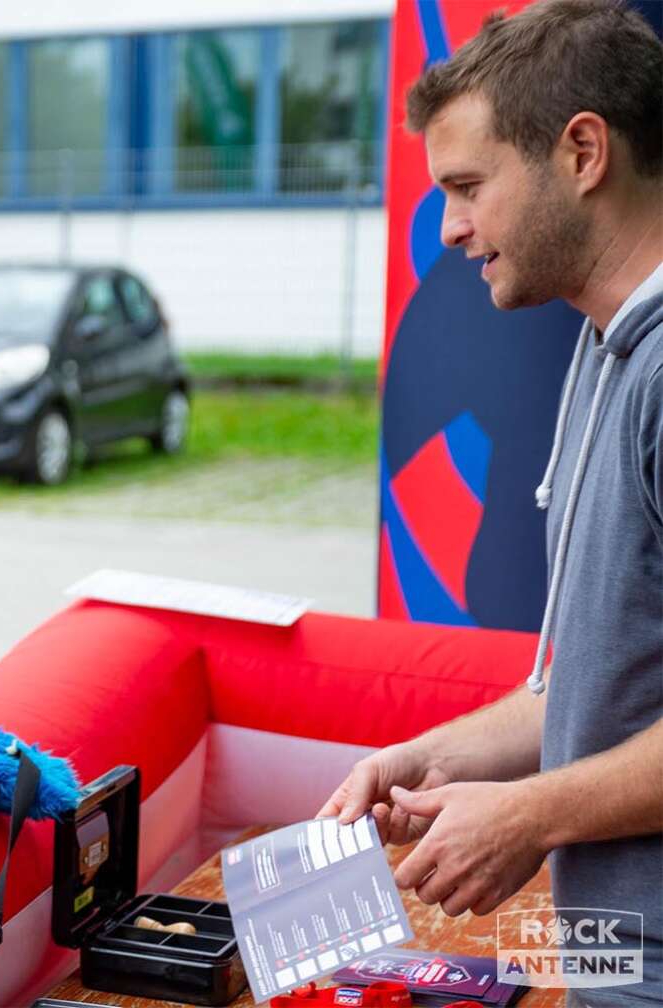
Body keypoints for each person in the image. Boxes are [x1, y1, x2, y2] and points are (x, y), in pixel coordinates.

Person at [318, 2, 663, 1002]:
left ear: (582, 152)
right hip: (613, 953)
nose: (451, 226)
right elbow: (607, 683)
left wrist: (528, 816)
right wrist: (423, 757)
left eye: (467, 186)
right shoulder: (604, 351)